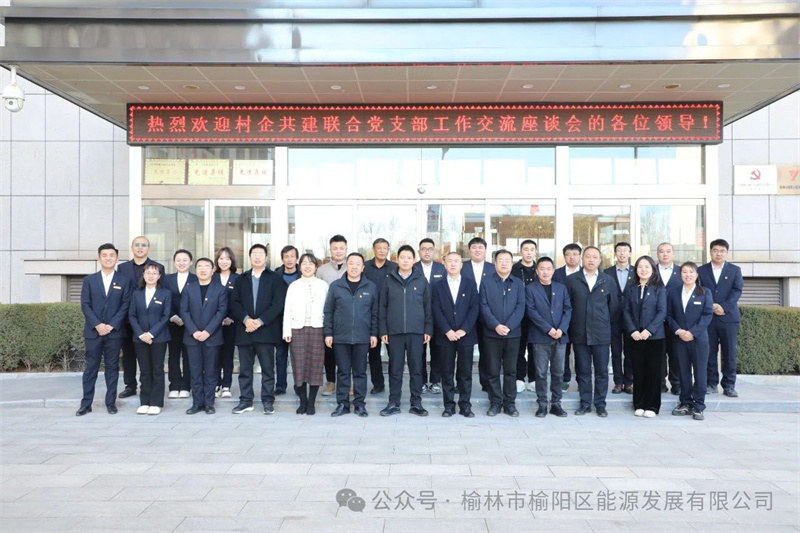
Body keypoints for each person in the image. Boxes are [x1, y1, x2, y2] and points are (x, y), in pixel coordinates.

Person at [229, 244, 287, 415]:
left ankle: (268, 401)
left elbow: (278, 304)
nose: (257, 257)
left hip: (266, 331)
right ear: (250, 257)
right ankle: (246, 400)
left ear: (266, 258)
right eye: (254, 254)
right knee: (245, 370)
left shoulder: (275, 278)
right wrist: (246, 319)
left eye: (261, 254)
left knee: (268, 369)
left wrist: (260, 321)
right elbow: (234, 302)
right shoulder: (241, 279)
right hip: (245, 330)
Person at [76, 243, 131, 416]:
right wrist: (98, 325)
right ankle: (86, 404)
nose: (108, 258)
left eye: (111, 255)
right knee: (90, 368)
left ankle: (111, 403)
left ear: (117, 258)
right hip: (93, 332)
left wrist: (112, 325)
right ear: (99, 258)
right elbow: (85, 304)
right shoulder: (89, 280)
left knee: (112, 368)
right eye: (104, 255)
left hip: (114, 333)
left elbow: (125, 305)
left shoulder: (124, 280)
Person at [378, 245, 433, 417]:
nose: (405, 261)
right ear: (397, 259)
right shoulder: (389, 280)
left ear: (413, 260)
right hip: (394, 332)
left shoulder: (421, 280)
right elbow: (382, 307)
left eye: (409, 258)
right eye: (402, 257)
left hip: (416, 332)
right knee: (395, 369)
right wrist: (383, 330)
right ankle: (393, 402)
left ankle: (416, 403)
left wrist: (428, 329)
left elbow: (428, 307)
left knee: (416, 369)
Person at [323, 253, 378, 417]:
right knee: (343, 372)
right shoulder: (336, 286)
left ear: (363, 267)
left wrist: (374, 334)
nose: (354, 267)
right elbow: (328, 311)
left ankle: (360, 404)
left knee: (360, 372)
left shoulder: (371, 287)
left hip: (362, 337)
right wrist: (328, 333)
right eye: (351, 263)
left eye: (358, 264)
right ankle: (342, 404)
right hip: (341, 337)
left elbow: (374, 313)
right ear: (347, 265)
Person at [567, 246, 619, 418]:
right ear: (582, 259)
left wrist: (604, 324)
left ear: (600, 260)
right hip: (580, 333)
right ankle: (585, 403)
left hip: (601, 333)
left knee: (602, 371)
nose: (591, 260)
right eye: (588, 256)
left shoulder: (607, 280)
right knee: (583, 371)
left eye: (595, 257)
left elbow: (614, 308)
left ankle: (600, 404)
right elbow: (568, 307)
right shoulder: (572, 280)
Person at [431, 252, 480, 418]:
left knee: (465, 373)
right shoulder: (438, 285)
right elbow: (436, 309)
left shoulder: (470, 284)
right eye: (450, 261)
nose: (453, 264)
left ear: (461, 265)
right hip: (445, 336)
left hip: (466, 335)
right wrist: (447, 330)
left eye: (456, 261)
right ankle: (449, 406)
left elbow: (474, 308)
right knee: (447, 373)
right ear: (445, 265)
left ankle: (465, 405)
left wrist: (463, 329)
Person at [480, 249, 526, 417]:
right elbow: (483, 306)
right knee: (492, 370)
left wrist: (509, 326)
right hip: (491, 334)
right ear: (495, 263)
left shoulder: (518, 283)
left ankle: (509, 404)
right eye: (500, 260)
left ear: (512, 263)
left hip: (512, 334)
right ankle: (495, 402)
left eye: (507, 260)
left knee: (510, 370)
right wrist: (496, 325)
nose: (504, 263)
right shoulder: (486, 282)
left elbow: (521, 306)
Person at [116, 236, 164, 400]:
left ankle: (151, 390)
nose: (140, 247)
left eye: (144, 245)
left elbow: (162, 293)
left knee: (152, 360)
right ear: (132, 247)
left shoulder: (157, 267)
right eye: (137, 245)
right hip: (129, 319)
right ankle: (130, 386)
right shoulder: (122, 268)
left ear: (148, 248)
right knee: (128, 355)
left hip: (152, 321)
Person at [283, 253, 329, 416]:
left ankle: (311, 402)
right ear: (299, 266)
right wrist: (287, 331)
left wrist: (328, 332)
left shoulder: (323, 285)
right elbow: (287, 309)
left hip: (318, 328)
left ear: (316, 266)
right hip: (297, 329)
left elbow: (329, 310)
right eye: (304, 263)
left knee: (316, 365)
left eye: (311, 263)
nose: (307, 266)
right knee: (299, 365)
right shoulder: (294, 286)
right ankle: (302, 401)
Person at [667, 261, 714, 421]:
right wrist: (678, 331)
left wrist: (693, 332)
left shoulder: (705, 292)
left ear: (696, 274)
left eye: (691, 272)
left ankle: (699, 405)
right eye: (685, 272)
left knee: (700, 373)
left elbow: (707, 315)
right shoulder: (673, 292)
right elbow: (669, 315)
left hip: (699, 340)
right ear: (680, 274)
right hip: (679, 338)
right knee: (683, 372)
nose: (688, 275)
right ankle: (685, 402)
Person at [525, 256, 571, 418]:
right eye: (542, 269)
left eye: (548, 269)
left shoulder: (561, 288)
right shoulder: (530, 289)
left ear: (553, 271)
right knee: (541, 373)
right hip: (540, 337)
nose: (545, 272)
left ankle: (556, 403)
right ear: (537, 271)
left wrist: (561, 329)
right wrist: (548, 329)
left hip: (560, 337)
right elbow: (531, 311)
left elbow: (568, 309)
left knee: (558, 372)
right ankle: (542, 404)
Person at [181, 257, 228, 415]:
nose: (203, 269)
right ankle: (197, 403)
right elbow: (184, 311)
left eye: (206, 266)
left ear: (213, 270)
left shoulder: (220, 289)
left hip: (212, 337)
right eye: (200, 266)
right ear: (195, 270)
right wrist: (194, 331)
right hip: (192, 337)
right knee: (195, 371)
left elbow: (221, 312)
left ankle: (209, 403)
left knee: (211, 371)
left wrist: (208, 331)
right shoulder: (189, 288)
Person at [622, 255, 667, 418]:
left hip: (654, 337)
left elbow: (662, 311)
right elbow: (625, 310)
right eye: (640, 267)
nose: (643, 270)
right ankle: (639, 404)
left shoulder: (659, 288)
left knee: (653, 372)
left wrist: (649, 331)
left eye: (647, 267)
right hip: (635, 336)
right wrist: (632, 330)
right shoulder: (631, 287)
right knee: (638, 371)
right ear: (636, 270)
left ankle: (652, 406)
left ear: (653, 269)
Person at [698, 239, 743, 398]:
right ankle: (711, 383)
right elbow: (699, 291)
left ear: (726, 253)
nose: (718, 254)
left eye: (722, 251)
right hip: (708, 317)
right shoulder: (701, 270)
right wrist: (711, 306)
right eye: (715, 250)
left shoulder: (734, 270)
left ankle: (729, 385)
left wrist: (723, 307)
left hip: (728, 317)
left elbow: (737, 290)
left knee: (729, 352)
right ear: (710, 252)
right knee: (709, 351)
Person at [128, 263, 171, 415]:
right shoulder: (136, 293)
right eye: (148, 273)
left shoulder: (165, 293)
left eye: (154, 273)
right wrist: (141, 334)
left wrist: (151, 334)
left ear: (159, 276)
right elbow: (132, 315)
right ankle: (144, 401)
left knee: (157, 370)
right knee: (145, 370)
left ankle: (156, 402)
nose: (151, 276)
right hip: (140, 338)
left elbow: (165, 316)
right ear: (143, 275)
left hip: (159, 338)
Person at [461, 237, 495, 393]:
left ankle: (486, 383)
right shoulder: (462, 267)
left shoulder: (493, 268)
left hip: (487, 316)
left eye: (480, 247)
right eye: (474, 247)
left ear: (485, 250)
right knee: (464, 352)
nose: (477, 250)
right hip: (466, 316)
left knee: (487, 351)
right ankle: (461, 384)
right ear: (469, 250)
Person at [162, 249, 197, 399]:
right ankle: (174, 385)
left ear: (191, 262)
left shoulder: (196, 278)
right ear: (174, 262)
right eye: (178, 260)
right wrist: (172, 316)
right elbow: (162, 299)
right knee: (173, 355)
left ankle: (186, 385)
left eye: (185, 260)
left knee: (189, 355)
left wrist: (187, 319)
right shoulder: (166, 280)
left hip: (192, 324)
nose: (181, 263)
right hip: (172, 323)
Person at [316, 234, 348, 396]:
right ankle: (330, 382)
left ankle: (348, 382)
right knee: (329, 350)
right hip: (328, 315)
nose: (338, 251)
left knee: (348, 351)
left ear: (346, 249)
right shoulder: (321, 270)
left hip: (348, 316)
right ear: (330, 250)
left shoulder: (353, 266)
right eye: (335, 248)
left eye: (341, 248)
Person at [363, 238, 396, 395]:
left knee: (393, 354)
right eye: (379, 248)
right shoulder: (365, 267)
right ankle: (378, 384)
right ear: (374, 249)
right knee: (373, 353)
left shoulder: (394, 268)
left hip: (390, 316)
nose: (382, 251)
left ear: (388, 250)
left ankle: (394, 384)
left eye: (385, 248)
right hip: (371, 315)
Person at [413, 238, 446, 395]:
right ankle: (420, 382)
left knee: (437, 350)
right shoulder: (413, 268)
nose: (427, 252)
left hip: (438, 315)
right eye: (423, 249)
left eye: (430, 249)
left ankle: (435, 381)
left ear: (434, 251)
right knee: (419, 351)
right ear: (419, 251)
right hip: (418, 315)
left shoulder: (442, 268)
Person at [604, 241, 634, 395]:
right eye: (619, 250)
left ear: (630, 253)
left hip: (632, 318)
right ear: (615, 253)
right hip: (613, 316)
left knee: (630, 351)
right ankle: (618, 382)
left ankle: (629, 382)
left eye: (625, 250)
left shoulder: (636, 271)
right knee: (615, 351)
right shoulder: (607, 272)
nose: (622, 253)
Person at [553, 243, 582, 392]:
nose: (572, 257)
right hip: (561, 319)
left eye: (575, 254)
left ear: (580, 256)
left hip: (580, 318)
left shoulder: (586, 273)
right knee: (563, 351)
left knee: (580, 351)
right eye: (568, 254)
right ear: (564, 256)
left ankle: (581, 380)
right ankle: (564, 379)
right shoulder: (556, 274)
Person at [511, 239, 538, 393]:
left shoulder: (540, 269)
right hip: (518, 316)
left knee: (535, 348)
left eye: (532, 249)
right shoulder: (514, 269)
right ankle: (519, 378)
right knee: (518, 349)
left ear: (535, 252)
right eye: (526, 249)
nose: (529, 252)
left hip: (536, 317)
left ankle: (533, 379)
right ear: (521, 251)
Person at [656, 241, 683, 396]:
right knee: (658, 354)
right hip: (656, 321)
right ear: (657, 254)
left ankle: (676, 383)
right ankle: (660, 383)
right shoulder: (650, 271)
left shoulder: (681, 271)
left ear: (673, 253)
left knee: (676, 354)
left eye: (668, 251)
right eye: (661, 251)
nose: (665, 254)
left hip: (676, 320)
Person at [212, 247, 239, 399]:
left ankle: (227, 385)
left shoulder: (237, 279)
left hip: (231, 323)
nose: (224, 261)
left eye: (227, 259)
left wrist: (231, 317)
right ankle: (216, 383)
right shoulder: (212, 277)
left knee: (228, 354)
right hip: (213, 324)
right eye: (221, 258)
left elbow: (239, 301)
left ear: (232, 261)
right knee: (215, 355)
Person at [274, 245, 301, 396]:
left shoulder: (303, 274)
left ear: (297, 258)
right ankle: (280, 386)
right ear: (282, 259)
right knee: (280, 355)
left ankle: (299, 385)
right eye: (286, 257)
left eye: (292, 256)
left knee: (298, 356)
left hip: (298, 320)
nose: (289, 259)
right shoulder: (275, 275)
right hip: (279, 320)